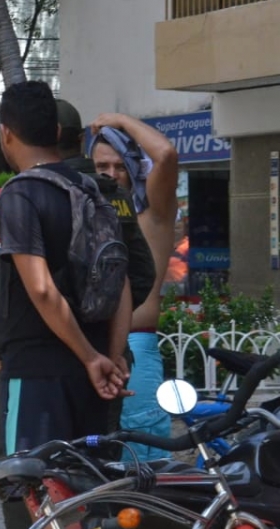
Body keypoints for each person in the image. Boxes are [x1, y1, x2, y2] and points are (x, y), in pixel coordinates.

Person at [0, 82, 130, 526]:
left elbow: (42, 289)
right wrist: (107, 357)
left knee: (34, 496)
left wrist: (93, 358)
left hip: (38, 371)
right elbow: (121, 282)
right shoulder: (94, 190)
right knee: (87, 495)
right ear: (54, 129)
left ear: (6, 134)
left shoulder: (20, 194)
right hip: (91, 377)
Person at [89, 111, 179, 461]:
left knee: (143, 462)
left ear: (132, 168)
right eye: (102, 167)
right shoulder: (87, 216)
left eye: (119, 166)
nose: (111, 175)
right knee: (97, 462)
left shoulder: (151, 214)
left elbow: (167, 155)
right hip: (92, 348)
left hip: (136, 348)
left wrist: (122, 121)